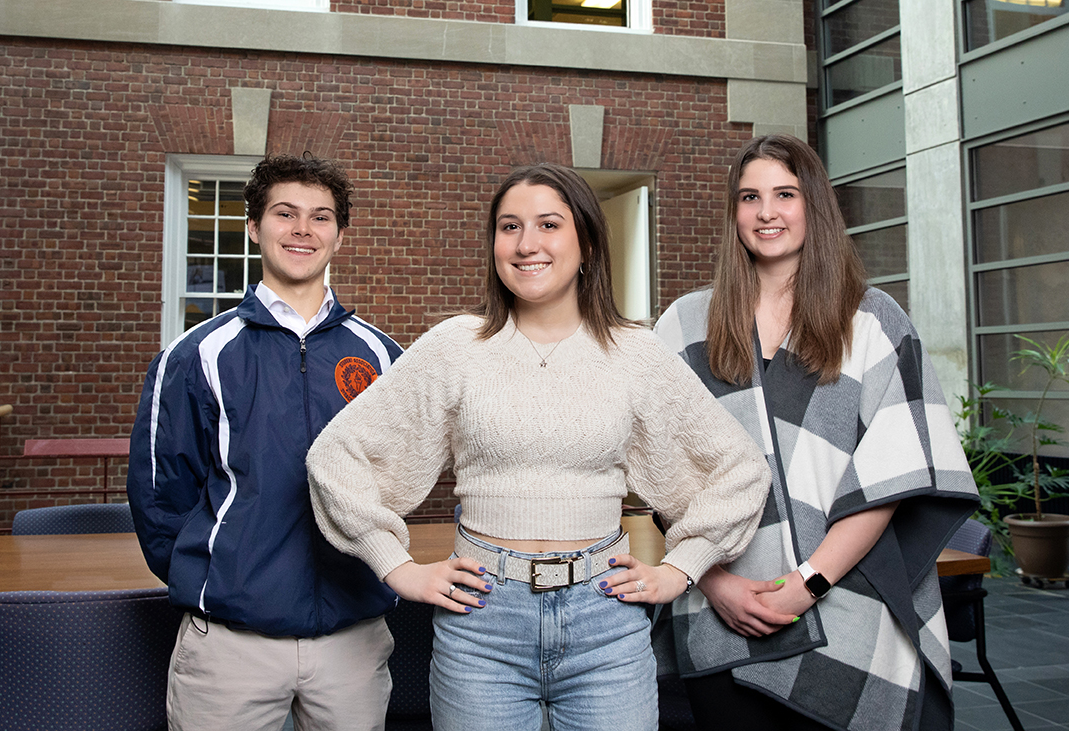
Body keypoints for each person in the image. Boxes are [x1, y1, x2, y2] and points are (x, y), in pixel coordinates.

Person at [306, 162, 773, 731]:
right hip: (481, 624)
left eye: (548, 225)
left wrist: (682, 568)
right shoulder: (456, 347)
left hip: (607, 621)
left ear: (587, 244)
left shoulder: (634, 353)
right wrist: (395, 565)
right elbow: (334, 458)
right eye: (509, 227)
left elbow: (740, 469)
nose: (527, 245)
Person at [652, 135, 980, 731]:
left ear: (815, 206)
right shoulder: (682, 326)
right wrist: (714, 580)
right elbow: (664, 479)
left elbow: (892, 472)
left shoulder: (873, 320)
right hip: (717, 602)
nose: (766, 212)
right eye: (749, 197)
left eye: (785, 194)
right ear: (733, 214)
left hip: (849, 601)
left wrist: (808, 582)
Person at [127, 153, 403, 731]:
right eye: (285, 213)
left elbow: (400, 481)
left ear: (339, 235)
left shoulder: (383, 357)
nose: (303, 229)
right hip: (231, 647)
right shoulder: (196, 356)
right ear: (254, 228)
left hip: (352, 642)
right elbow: (160, 501)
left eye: (321, 217)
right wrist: (223, 581)